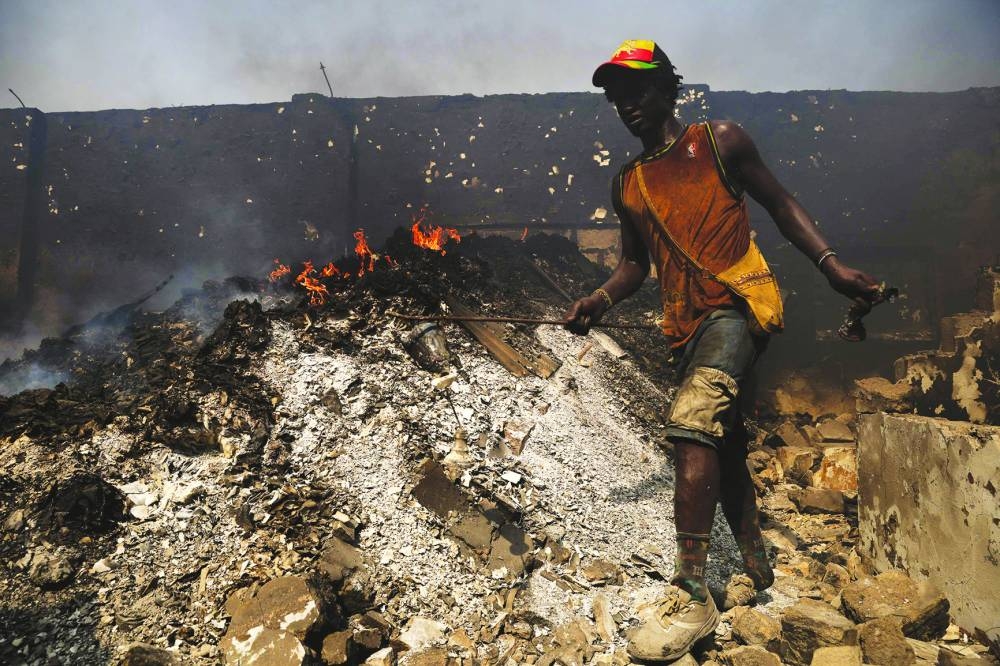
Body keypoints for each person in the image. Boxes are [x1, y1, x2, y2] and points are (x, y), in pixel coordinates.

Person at [564, 40, 879, 662]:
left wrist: (833, 267)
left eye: (638, 89)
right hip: (685, 326)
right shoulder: (626, 182)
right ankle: (758, 570)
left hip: (738, 305)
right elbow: (633, 264)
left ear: (667, 88)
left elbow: (782, 205)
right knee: (723, 443)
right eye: (617, 96)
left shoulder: (718, 142)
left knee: (692, 422)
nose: (627, 104)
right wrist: (598, 300)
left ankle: (691, 589)